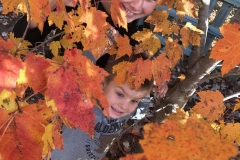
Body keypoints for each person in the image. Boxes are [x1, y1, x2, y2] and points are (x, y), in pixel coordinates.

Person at [50, 53, 154, 159]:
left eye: (134, 101)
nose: (124, 106)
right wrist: (101, 43)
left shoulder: (125, 112)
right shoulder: (87, 100)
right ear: (102, 83)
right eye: (120, 94)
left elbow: (140, 113)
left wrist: (147, 91)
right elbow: (82, 63)